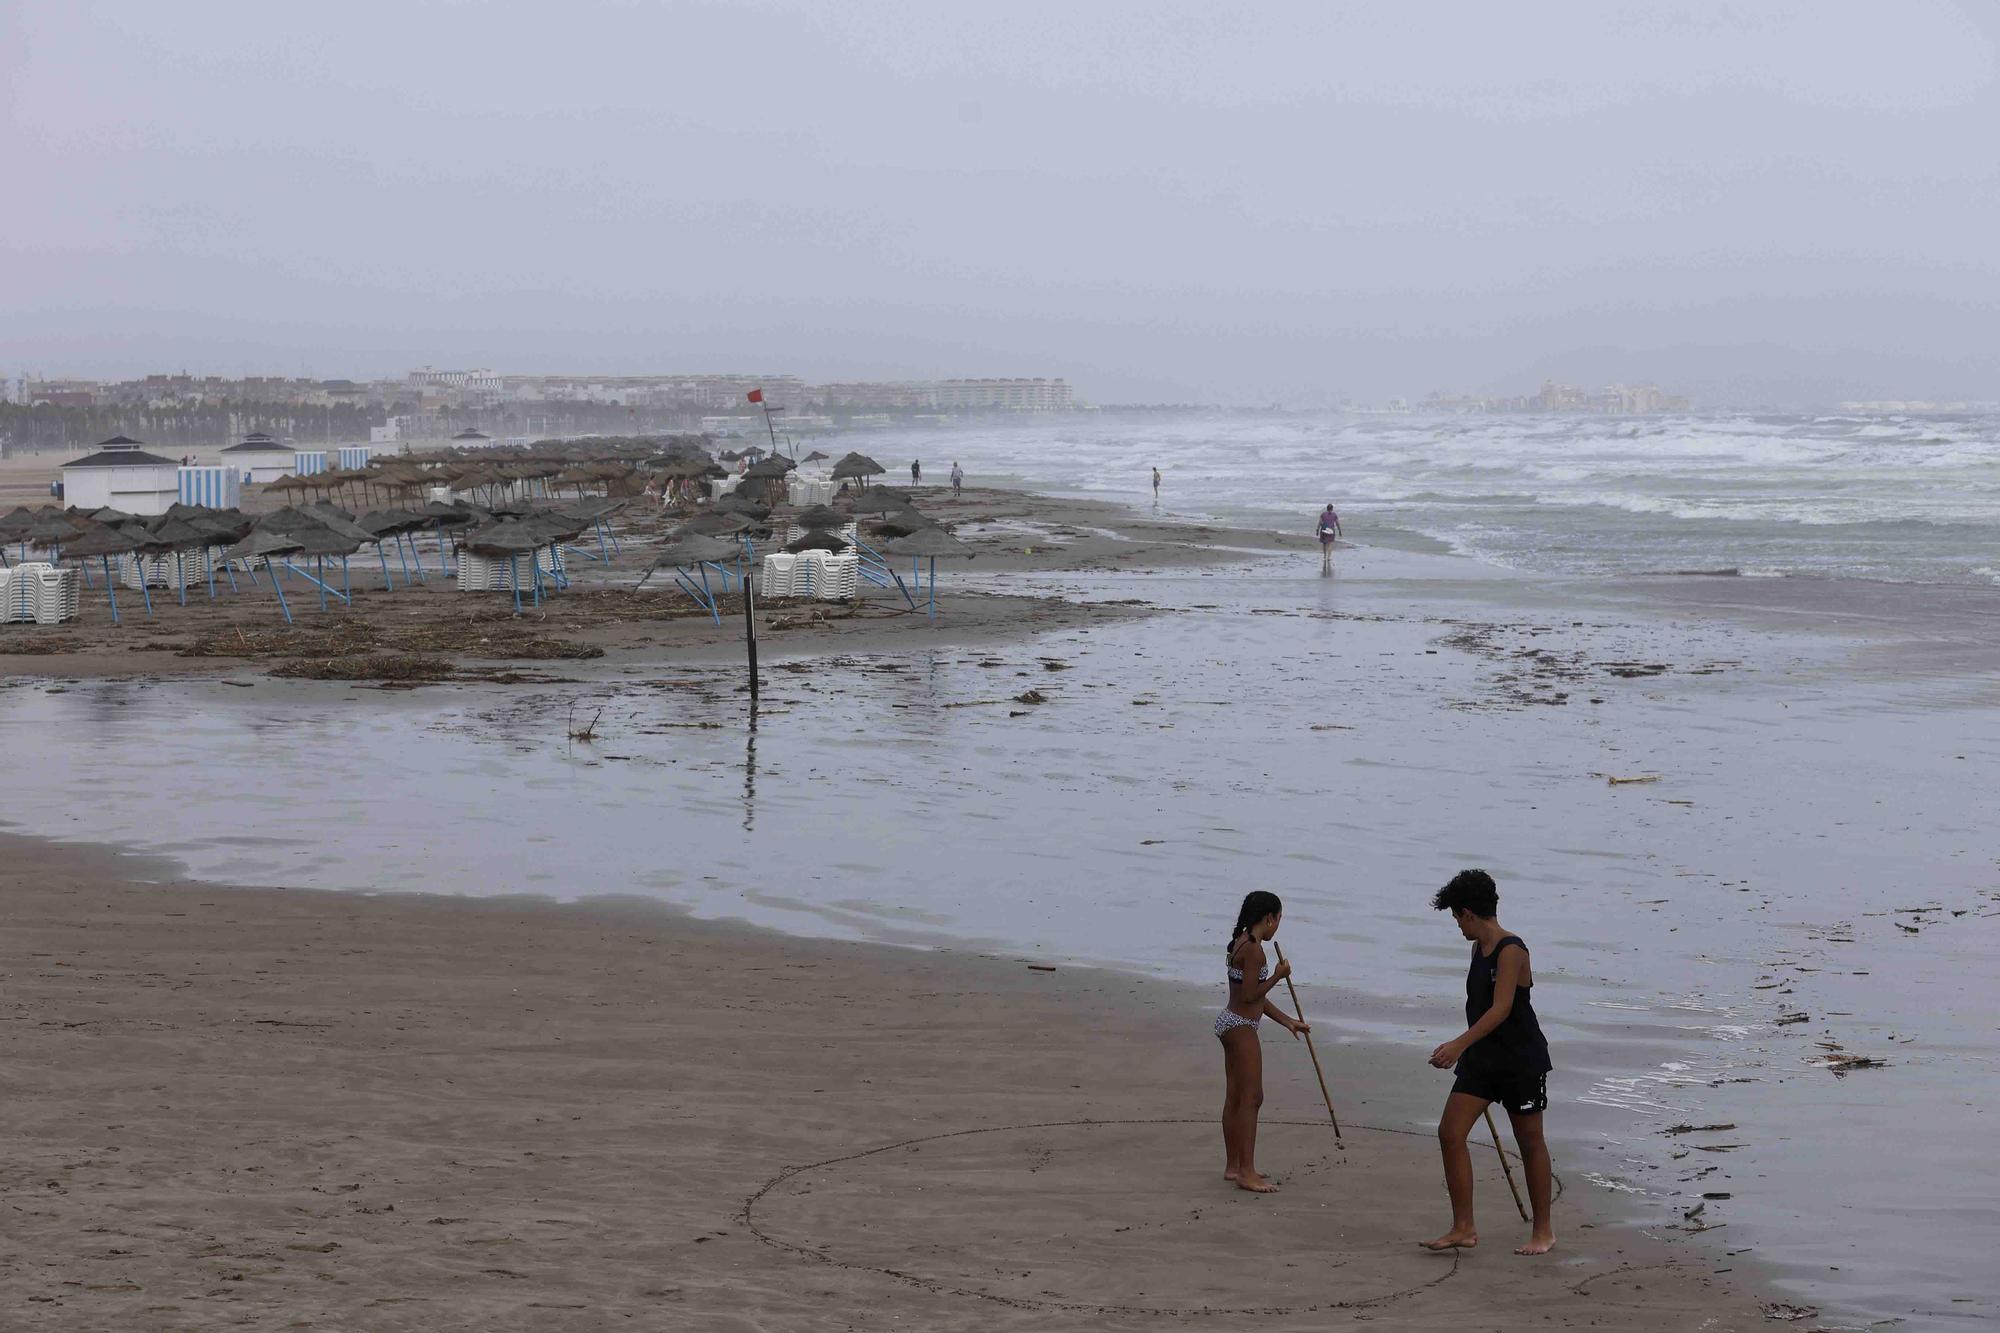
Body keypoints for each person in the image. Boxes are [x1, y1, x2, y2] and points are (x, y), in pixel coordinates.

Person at [1421, 869, 1556, 1256]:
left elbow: (1501, 1009)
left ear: (1467, 913)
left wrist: (1457, 1045)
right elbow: (1477, 1006)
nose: (1457, 926)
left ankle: (1543, 1231)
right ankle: (1463, 1227)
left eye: (1455, 918)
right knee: (1450, 1132)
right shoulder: (1476, 949)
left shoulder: (1512, 949)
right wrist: (1467, 1049)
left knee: (1530, 1142)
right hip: (1482, 1060)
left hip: (1520, 1060)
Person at [1216, 890, 1309, 1193]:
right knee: (1253, 1097)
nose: (1278, 926)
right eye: (1279, 919)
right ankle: (1247, 1172)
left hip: (1230, 1021)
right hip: (1241, 1026)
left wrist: (1287, 1021)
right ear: (1269, 918)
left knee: (1236, 1096)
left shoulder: (1240, 941)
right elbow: (1251, 995)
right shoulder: (1255, 951)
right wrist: (1279, 976)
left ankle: (1234, 1166)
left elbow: (1254, 997)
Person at [1316, 502, 1342, 574]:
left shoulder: (1323, 514)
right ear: (1332, 509)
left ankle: (1324, 556)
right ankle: (1329, 557)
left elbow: (1319, 522)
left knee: (1324, 544)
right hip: (1331, 530)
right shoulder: (1334, 515)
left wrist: (1317, 529)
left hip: (1324, 530)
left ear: (1327, 508)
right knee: (1330, 544)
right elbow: (1337, 523)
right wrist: (1340, 530)